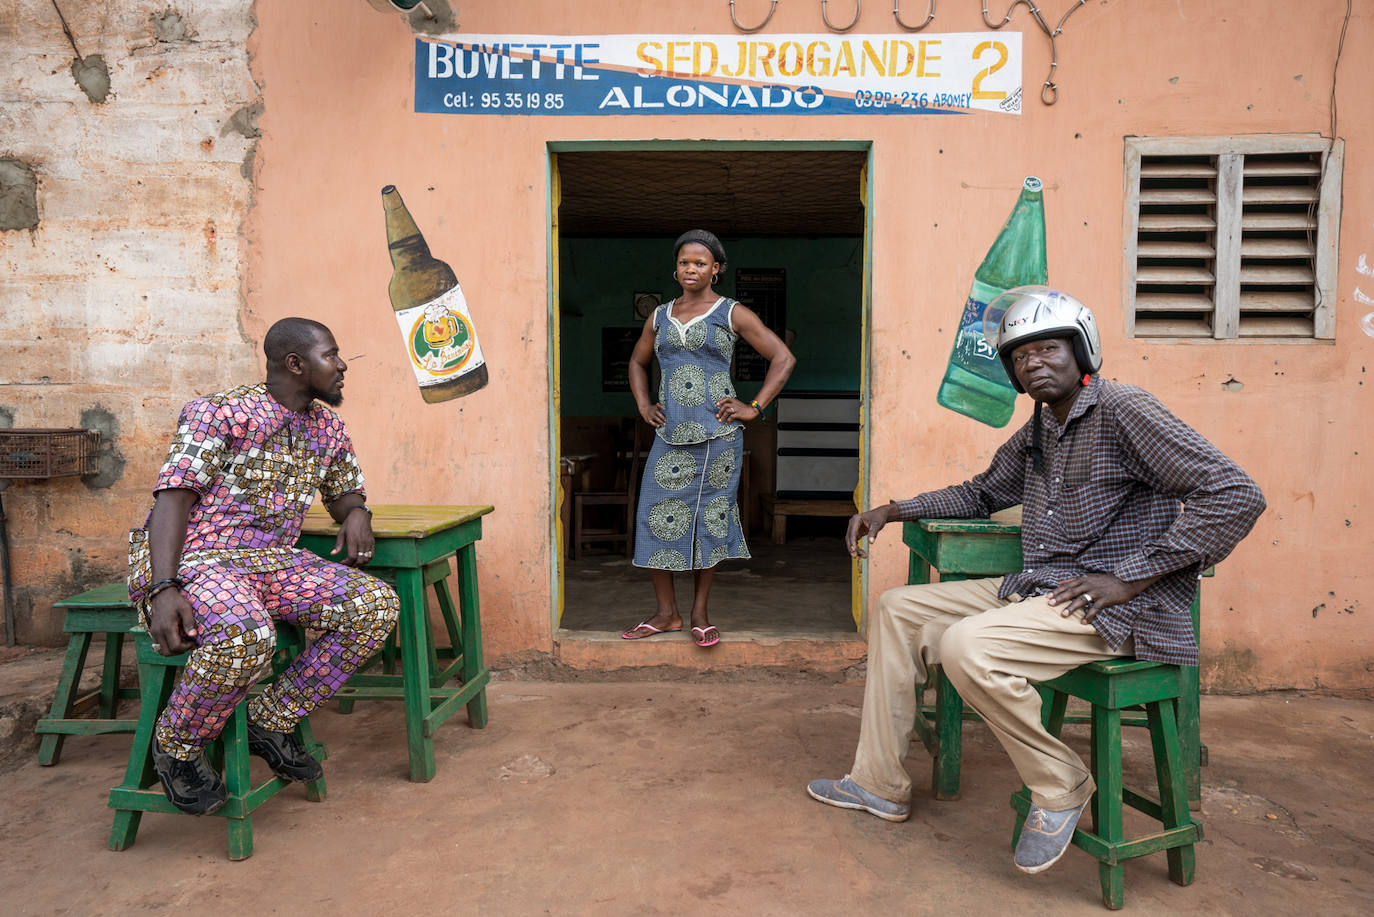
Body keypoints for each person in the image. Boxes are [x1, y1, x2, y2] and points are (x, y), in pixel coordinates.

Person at [806, 287, 1265, 874]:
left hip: (1122, 608)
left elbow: (1235, 494)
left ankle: (1062, 785)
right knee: (899, 608)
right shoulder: (1043, 427)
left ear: (1082, 352)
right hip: (1050, 587)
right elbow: (983, 491)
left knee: (968, 646)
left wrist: (1127, 578)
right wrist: (893, 510)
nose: (1035, 362)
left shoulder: (1126, 410)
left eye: (1049, 348)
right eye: (1021, 356)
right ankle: (879, 784)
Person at [127, 317, 400, 815]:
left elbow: (344, 492)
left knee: (375, 605)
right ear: (295, 364)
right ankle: (177, 747)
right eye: (331, 356)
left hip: (272, 562)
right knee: (246, 635)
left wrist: (358, 511)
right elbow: (172, 500)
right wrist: (163, 587)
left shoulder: (327, 427)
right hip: (198, 559)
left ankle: (270, 718)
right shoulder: (219, 413)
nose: (341, 367)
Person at [621, 230, 796, 647]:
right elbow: (637, 361)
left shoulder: (731, 312)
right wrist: (645, 406)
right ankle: (666, 614)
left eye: (700, 263)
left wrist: (754, 406)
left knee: (709, 522)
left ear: (716, 269)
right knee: (652, 516)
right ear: (676, 268)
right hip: (670, 436)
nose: (691, 269)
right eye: (684, 262)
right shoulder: (659, 316)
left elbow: (783, 357)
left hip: (719, 436)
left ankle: (699, 613)